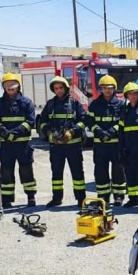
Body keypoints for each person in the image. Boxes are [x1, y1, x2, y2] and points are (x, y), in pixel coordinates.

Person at [0, 72, 38, 208]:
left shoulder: (26, 102)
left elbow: (30, 121)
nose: (10, 88)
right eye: (7, 85)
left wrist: (15, 133)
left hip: (23, 144)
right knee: (6, 172)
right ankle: (7, 199)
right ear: (3, 87)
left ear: (18, 87)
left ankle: (31, 197)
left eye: (13, 85)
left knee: (26, 171)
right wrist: (4, 132)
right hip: (7, 145)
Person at [39, 75, 87, 207]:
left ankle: (81, 199)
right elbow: (42, 122)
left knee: (77, 173)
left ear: (66, 88)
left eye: (61, 88)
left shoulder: (75, 103)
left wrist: (72, 132)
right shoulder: (50, 104)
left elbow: (84, 121)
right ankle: (57, 198)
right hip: (56, 146)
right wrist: (49, 133)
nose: (59, 90)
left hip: (73, 146)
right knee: (56, 173)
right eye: (56, 88)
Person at [87, 74, 127, 205]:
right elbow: (89, 121)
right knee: (100, 171)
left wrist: (111, 131)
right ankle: (103, 196)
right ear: (100, 89)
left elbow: (123, 121)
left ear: (114, 88)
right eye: (104, 88)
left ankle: (119, 196)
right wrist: (98, 131)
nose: (107, 90)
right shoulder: (94, 104)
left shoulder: (121, 104)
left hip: (115, 144)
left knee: (118, 171)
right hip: (100, 145)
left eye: (109, 88)